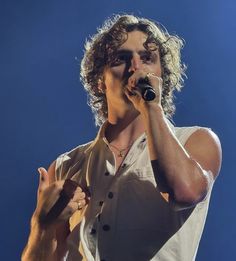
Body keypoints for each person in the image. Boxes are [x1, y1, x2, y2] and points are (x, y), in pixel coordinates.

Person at [22, 14, 222, 261]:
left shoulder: (196, 141)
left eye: (147, 58)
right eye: (121, 59)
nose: (135, 68)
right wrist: (41, 226)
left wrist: (150, 108)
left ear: (162, 74)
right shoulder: (66, 166)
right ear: (99, 81)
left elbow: (183, 192)